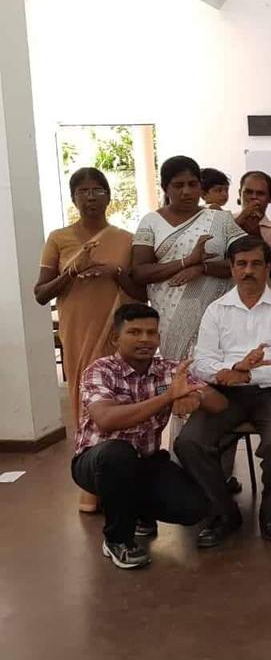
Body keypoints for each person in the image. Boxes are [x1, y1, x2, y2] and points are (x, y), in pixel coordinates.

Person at [72, 304, 225, 569]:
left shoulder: (169, 370)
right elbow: (107, 419)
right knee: (118, 453)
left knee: (193, 508)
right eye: (134, 332)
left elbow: (220, 404)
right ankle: (118, 540)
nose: (145, 339)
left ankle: (138, 511)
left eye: (151, 333)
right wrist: (168, 397)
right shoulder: (100, 371)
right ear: (115, 338)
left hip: (147, 460)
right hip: (97, 462)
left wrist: (195, 394)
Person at [175, 237, 271, 546]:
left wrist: (242, 373)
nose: (249, 271)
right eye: (242, 264)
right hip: (225, 393)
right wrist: (228, 372)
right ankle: (225, 513)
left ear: (268, 267)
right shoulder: (216, 310)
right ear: (231, 269)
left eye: (256, 264)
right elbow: (202, 361)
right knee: (189, 443)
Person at [36, 168, 146, 512]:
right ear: (73, 198)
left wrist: (114, 272)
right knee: (83, 400)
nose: (91, 197)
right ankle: (91, 483)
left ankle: (127, 478)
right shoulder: (59, 238)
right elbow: (41, 294)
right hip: (77, 329)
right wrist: (73, 268)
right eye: (83, 191)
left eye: (98, 190)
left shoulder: (127, 239)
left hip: (116, 331)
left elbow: (141, 294)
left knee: (122, 397)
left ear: (109, 196)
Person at [131, 156, 245, 443]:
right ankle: (185, 463)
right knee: (185, 385)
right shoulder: (151, 222)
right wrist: (185, 261)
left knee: (219, 386)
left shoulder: (220, 220)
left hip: (218, 318)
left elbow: (244, 259)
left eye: (193, 184)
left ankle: (220, 471)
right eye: (178, 185)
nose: (186, 191)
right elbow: (140, 271)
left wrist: (202, 267)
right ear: (165, 187)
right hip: (172, 321)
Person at [234, 171, 271, 254]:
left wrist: (257, 237)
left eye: (260, 194)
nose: (254, 197)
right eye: (248, 192)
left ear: (270, 198)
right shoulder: (225, 222)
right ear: (240, 194)